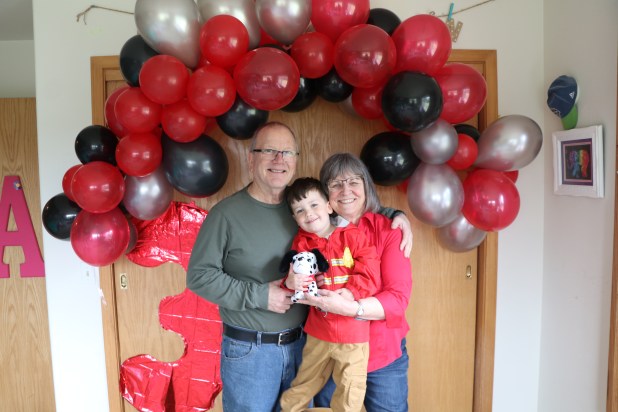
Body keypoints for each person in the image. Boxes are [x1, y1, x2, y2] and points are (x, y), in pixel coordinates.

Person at [187, 122, 412, 411]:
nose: (279, 159)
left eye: (287, 152)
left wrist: (397, 213)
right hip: (262, 349)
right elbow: (199, 276)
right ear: (251, 159)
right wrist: (262, 295)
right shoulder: (230, 214)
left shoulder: (310, 209)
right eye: (269, 150)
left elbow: (351, 210)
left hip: (319, 347)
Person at [300, 152, 413, 412]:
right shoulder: (312, 232)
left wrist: (351, 308)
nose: (345, 190)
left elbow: (397, 300)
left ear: (366, 186)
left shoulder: (388, 230)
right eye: (335, 184)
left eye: (353, 182)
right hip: (330, 353)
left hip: (382, 354)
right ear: (325, 194)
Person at [279, 177, 381, 412]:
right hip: (318, 332)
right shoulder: (301, 243)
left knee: (351, 392)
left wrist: (352, 292)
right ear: (294, 218)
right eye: (300, 210)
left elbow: (370, 271)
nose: (309, 213)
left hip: (353, 334)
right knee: (303, 384)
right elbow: (295, 283)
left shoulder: (353, 236)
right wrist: (291, 282)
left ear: (328, 206)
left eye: (314, 205)